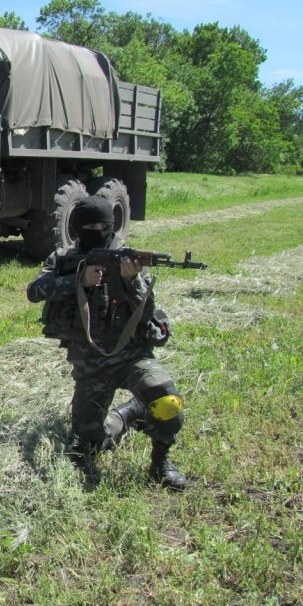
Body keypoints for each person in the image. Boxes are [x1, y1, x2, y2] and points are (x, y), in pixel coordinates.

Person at [26, 195, 187, 490]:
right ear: (77, 227)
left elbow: (147, 312)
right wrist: (78, 279)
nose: (98, 230)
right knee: (86, 446)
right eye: (90, 225)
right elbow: (35, 291)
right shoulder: (62, 258)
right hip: (90, 365)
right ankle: (129, 413)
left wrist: (132, 281)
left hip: (132, 356)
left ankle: (161, 462)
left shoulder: (129, 259)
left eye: (104, 224)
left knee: (166, 401)